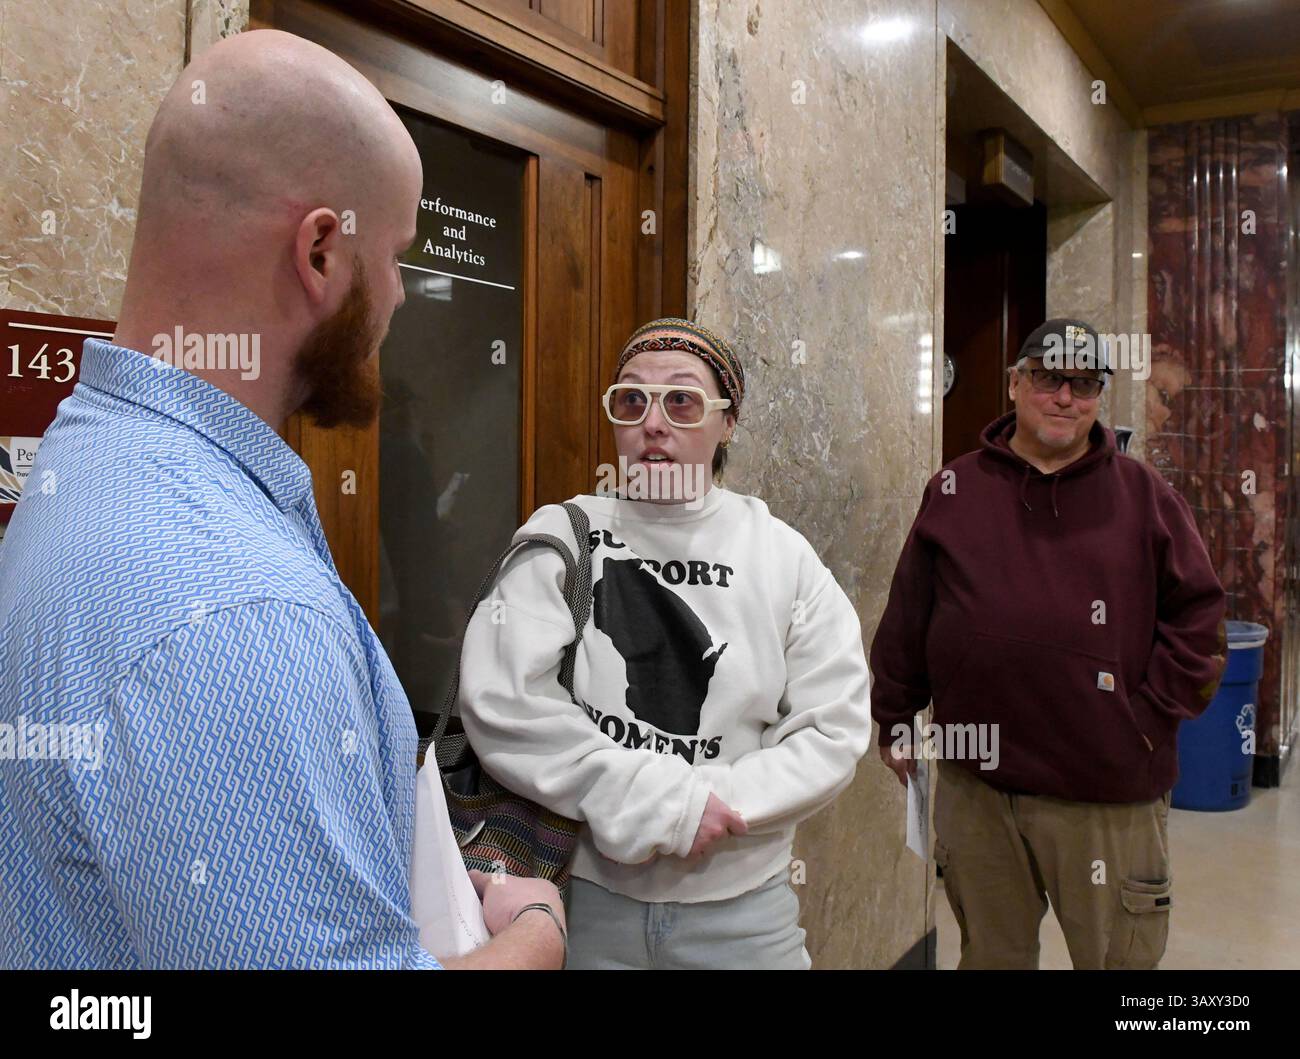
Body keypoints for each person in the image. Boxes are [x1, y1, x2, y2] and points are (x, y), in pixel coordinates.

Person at [0, 29, 563, 970]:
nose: (399, 297)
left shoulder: (90, 455)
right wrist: (539, 931)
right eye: (394, 257)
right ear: (321, 251)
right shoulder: (236, 613)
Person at [456, 317, 873, 969]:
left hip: (745, 916)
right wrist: (663, 800)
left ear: (726, 420)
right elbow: (504, 703)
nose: (653, 422)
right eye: (631, 400)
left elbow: (833, 727)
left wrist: (720, 802)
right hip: (587, 900)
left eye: (681, 399)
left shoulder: (781, 556)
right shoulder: (567, 537)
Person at [870, 318, 1227, 970]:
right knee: (992, 956)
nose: (1065, 396)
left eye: (1084, 383)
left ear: (1099, 395)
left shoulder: (1144, 497)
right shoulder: (955, 489)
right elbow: (909, 613)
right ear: (1015, 383)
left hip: (1106, 797)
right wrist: (893, 715)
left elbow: (1201, 619)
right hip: (979, 789)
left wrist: (1143, 721)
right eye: (1047, 378)